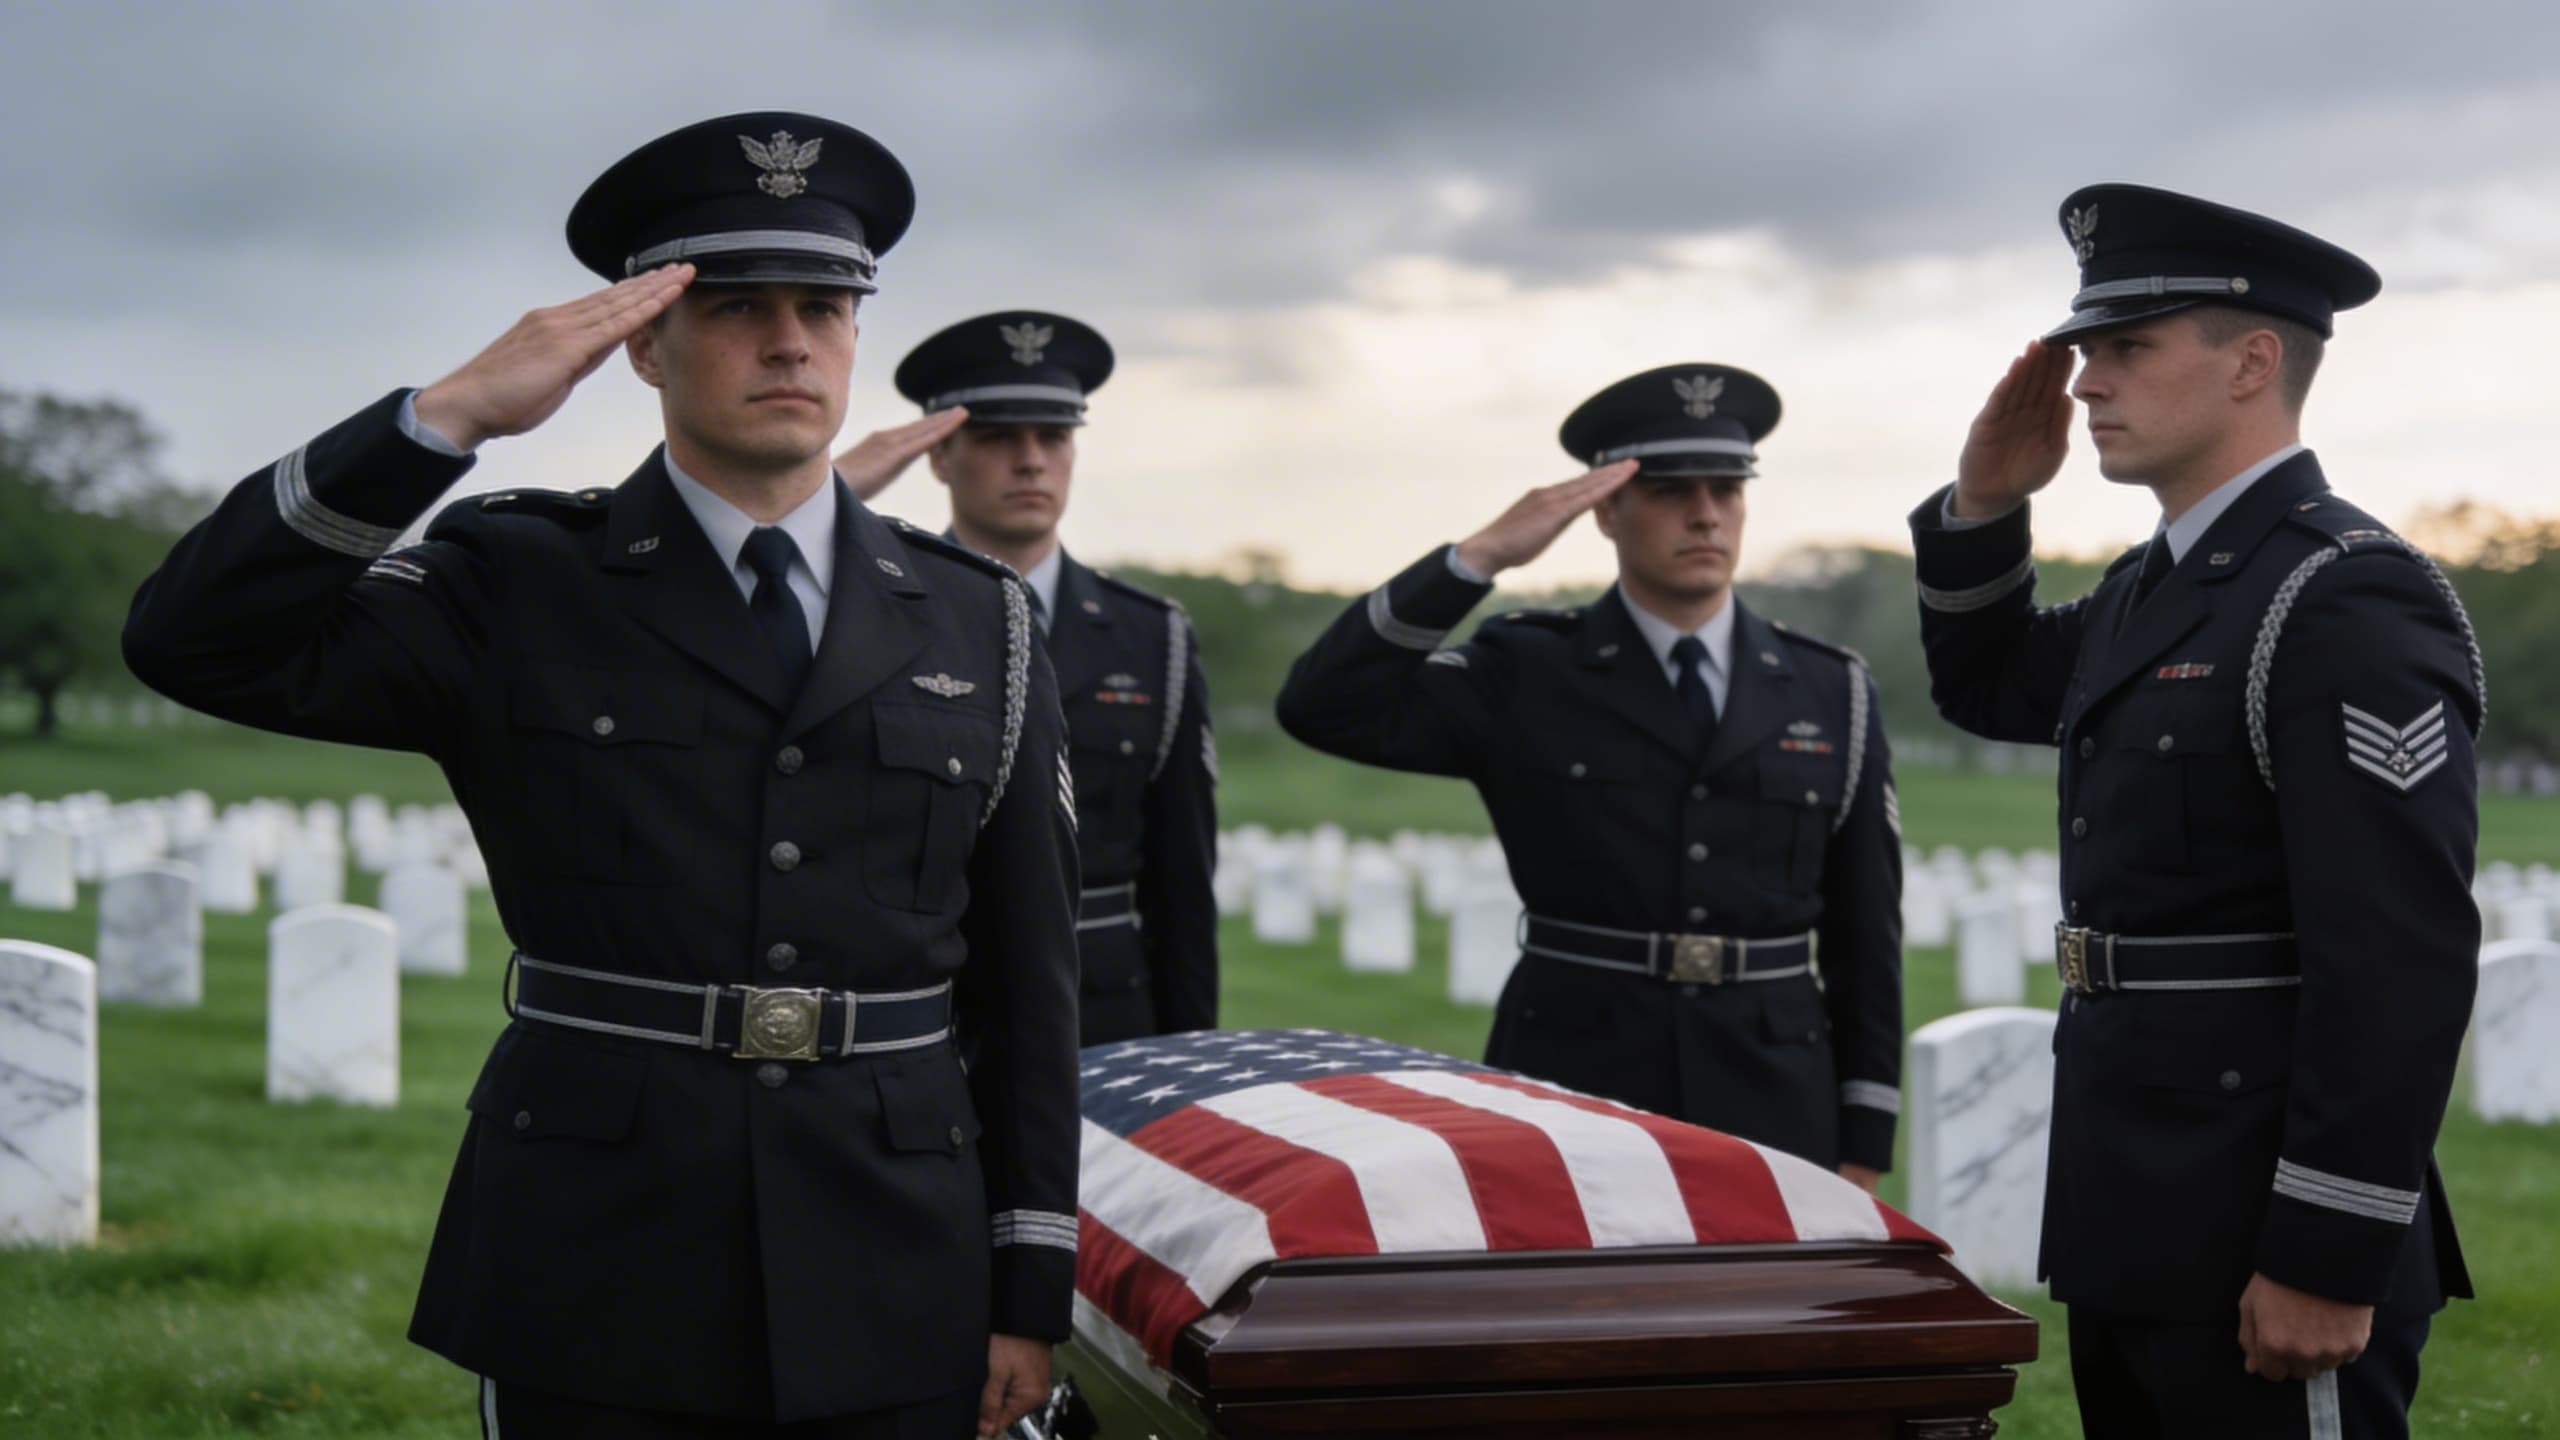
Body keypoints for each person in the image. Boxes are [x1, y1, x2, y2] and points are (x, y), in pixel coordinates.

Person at [121, 112, 1081, 1440]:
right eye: (739, 305)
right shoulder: (516, 581)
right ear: (642, 342)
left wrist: (1030, 1278)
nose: (790, 339)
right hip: (600, 1246)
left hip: (896, 1240)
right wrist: (438, 420)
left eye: (825, 305)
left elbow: (1030, 983)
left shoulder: (978, 618)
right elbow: (191, 639)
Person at [1910, 183, 2479, 1438]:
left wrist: (2329, 1249)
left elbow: (2397, 956)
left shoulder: (2340, 595)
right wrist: (1986, 506)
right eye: (2083, 351)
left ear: (2252, 363)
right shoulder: (2153, 586)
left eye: (2126, 347)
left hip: (2262, 1218)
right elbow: (1991, 684)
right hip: (2131, 1200)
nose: (2084, 384)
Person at [1274, 365, 1903, 1190]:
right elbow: (1323, 706)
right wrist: (1477, 558)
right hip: (1574, 1074)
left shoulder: (1832, 688)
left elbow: (1866, 933)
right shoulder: (1528, 667)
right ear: (1605, 509)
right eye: (1673, 490)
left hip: (1773, 1085)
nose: (1706, 513)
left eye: (1727, 488)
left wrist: (1863, 1139)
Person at [844, 311, 1218, 1046]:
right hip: (928, 1015)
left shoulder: (1152, 635)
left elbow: (1182, 885)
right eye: (995, 438)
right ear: (940, 457)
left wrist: (1187, 1058)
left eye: (1053, 437)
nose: (1031, 461)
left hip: (1103, 1017)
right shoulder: (873, 609)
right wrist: (824, 495)